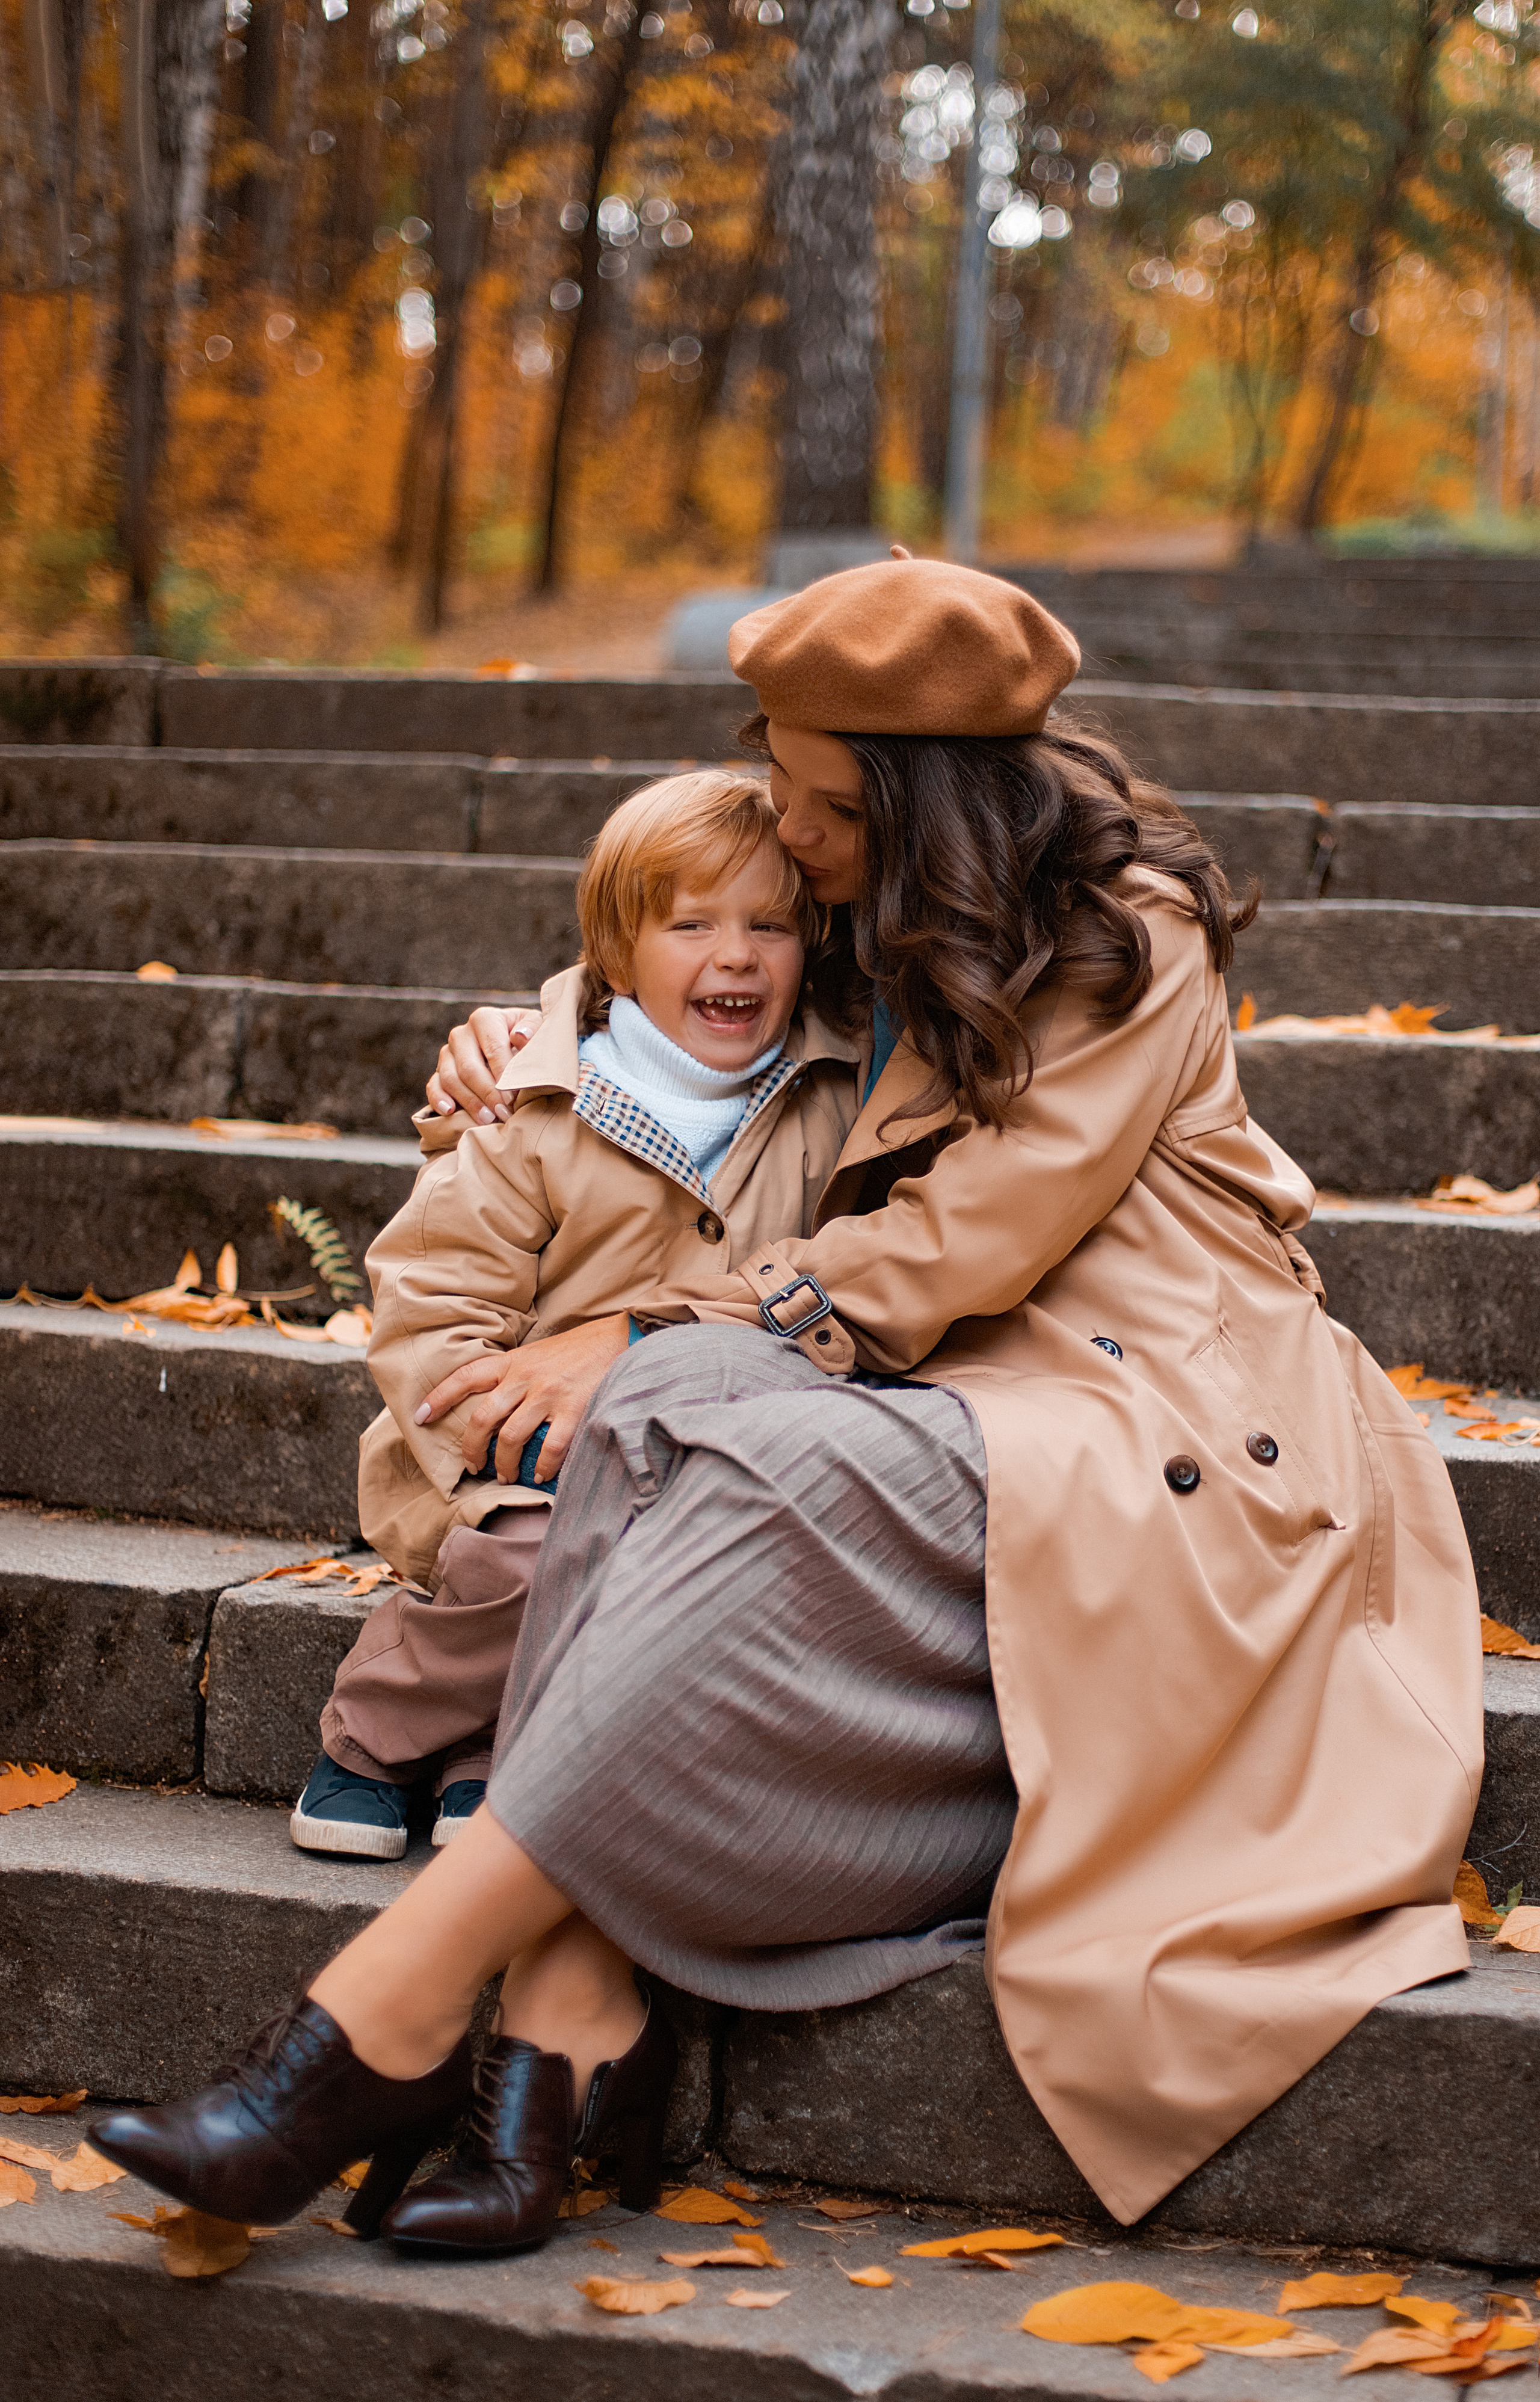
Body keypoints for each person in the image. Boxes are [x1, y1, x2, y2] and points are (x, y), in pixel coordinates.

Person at [92, 556, 1480, 2260]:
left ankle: (386, 2020)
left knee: (696, 1410)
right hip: (934, 1378)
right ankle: (565, 2031)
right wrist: (531, 1039)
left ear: (924, 802)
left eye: (825, 805)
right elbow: (677, 981)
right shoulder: (861, 897)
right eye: (780, 779)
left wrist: (631, 1324)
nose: (791, 830)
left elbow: (976, 1236)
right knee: (676, 1399)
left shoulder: (1124, 928)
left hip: (1153, 1407)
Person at [290, 769, 860, 1858]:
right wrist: (501, 1441)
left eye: (772, 925)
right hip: (508, 1455)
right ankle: (371, 1733)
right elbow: (434, 1298)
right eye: (692, 924)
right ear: (618, 955)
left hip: (718, 1447)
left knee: (682, 1569)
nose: (737, 955)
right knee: (538, 1554)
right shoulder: (538, 1105)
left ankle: (490, 1754)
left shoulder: (832, 1097)